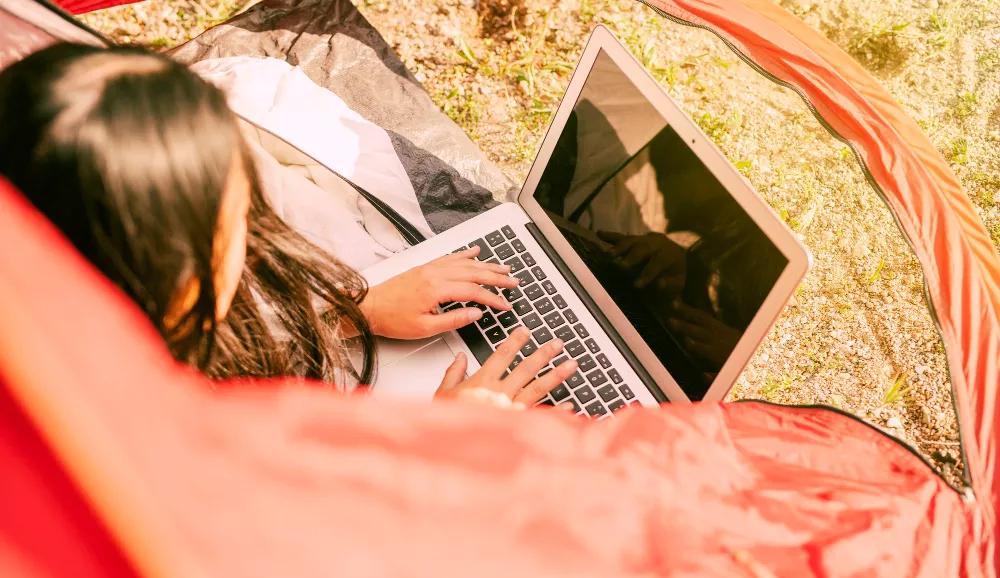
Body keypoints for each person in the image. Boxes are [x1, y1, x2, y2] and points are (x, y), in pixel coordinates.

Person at [0, 43, 577, 407]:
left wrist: (353, 313)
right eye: (235, 214)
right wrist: (444, 444)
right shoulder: (116, 425)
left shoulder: (43, 312)